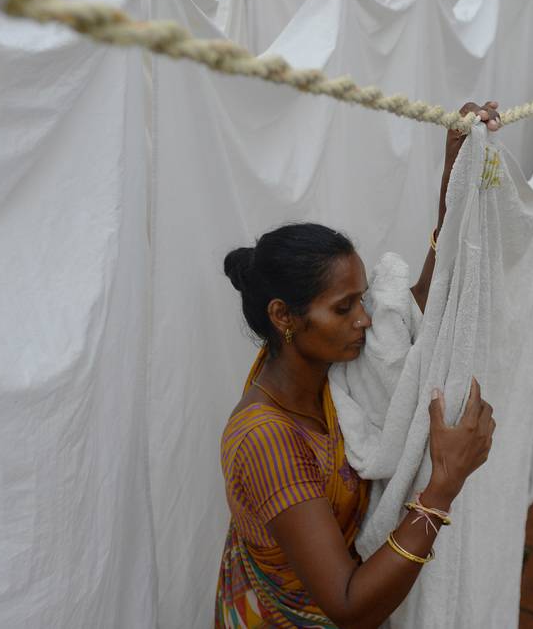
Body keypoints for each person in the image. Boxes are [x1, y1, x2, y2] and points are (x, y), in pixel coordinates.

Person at [215, 102, 503, 628]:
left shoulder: (321, 363)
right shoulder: (266, 444)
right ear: (284, 316)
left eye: (362, 300)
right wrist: (443, 483)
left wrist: (453, 192)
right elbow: (348, 605)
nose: (365, 321)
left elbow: (414, 314)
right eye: (344, 308)